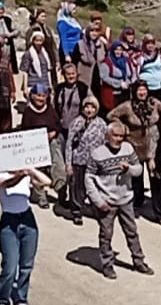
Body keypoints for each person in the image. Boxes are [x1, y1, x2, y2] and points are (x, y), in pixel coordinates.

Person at [84, 121, 153, 279]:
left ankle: (138, 261)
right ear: (107, 136)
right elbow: (89, 178)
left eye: (121, 136)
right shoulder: (97, 154)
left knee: (132, 232)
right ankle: (107, 264)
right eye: (115, 135)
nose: (119, 139)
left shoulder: (128, 149)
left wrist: (128, 169)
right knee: (106, 235)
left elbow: (139, 169)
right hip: (107, 202)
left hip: (125, 199)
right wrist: (98, 201)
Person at [0, 165, 52, 305]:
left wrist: (30, 170)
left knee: (26, 265)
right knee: (10, 266)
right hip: (9, 222)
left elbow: (47, 182)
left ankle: (21, 298)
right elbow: (6, 184)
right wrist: (19, 174)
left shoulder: (26, 175)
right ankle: (1, 300)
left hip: (27, 218)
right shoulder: (0, 174)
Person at [109, 80, 159, 211]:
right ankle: (137, 202)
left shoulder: (154, 104)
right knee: (137, 176)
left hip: (152, 145)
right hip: (135, 145)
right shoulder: (128, 106)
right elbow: (111, 115)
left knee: (155, 176)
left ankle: (158, 206)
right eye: (139, 90)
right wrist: (122, 127)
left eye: (144, 90)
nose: (142, 93)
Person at [15, 84, 62, 208]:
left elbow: (58, 125)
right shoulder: (28, 112)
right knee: (38, 171)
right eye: (38, 95)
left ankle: (61, 193)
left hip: (51, 142)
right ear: (32, 96)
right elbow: (25, 131)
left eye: (43, 96)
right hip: (35, 145)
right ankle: (41, 197)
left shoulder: (50, 109)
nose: (41, 98)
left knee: (59, 167)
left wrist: (53, 133)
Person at [64, 96, 107, 226]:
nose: (89, 110)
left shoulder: (101, 124)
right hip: (78, 160)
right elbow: (69, 144)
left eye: (92, 107)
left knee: (96, 187)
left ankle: (97, 209)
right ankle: (77, 211)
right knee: (78, 187)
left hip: (95, 161)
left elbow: (106, 143)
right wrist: (68, 163)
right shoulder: (76, 122)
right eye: (87, 107)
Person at [53, 62, 90, 206]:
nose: (71, 76)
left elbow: (90, 105)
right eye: (68, 74)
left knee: (76, 165)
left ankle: (76, 197)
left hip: (79, 132)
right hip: (63, 130)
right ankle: (62, 194)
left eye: (73, 74)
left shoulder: (83, 89)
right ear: (64, 75)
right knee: (62, 164)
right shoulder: (59, 89)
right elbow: (54, 106)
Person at [98, 40, 136, 113]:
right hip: (113, 94)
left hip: (126, 93)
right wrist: (119, 84)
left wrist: (130, 82)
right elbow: (104, 77)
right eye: (116, 49)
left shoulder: (126, 61)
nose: (118, 52)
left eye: (120, 49)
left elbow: (132, 73)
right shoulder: (107, 62)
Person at [75, 10, 107, 91]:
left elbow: (105, 58)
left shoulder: (101, 44)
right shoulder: (80, 44)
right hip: (84, 77)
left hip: (98, 77)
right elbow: (75, 60)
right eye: (92, 31)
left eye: (96, 31)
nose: (94, 33)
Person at [20, 28, 56, 96]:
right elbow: (25, 71)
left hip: (45, 83)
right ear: (33, 41)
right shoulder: (28, 54)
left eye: (40, 40)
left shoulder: (45, 53)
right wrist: (25, 87)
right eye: (37, 40)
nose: (39, 43)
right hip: (32, 84)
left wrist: (50, 85)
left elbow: (48, 70)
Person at [57, 3, 85, 73]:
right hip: (69, 52)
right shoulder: (62, 23)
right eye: (73, 9)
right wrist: (66, 55)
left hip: (76, 50)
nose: (75, 11)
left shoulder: (73, 21)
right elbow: (63, 39)